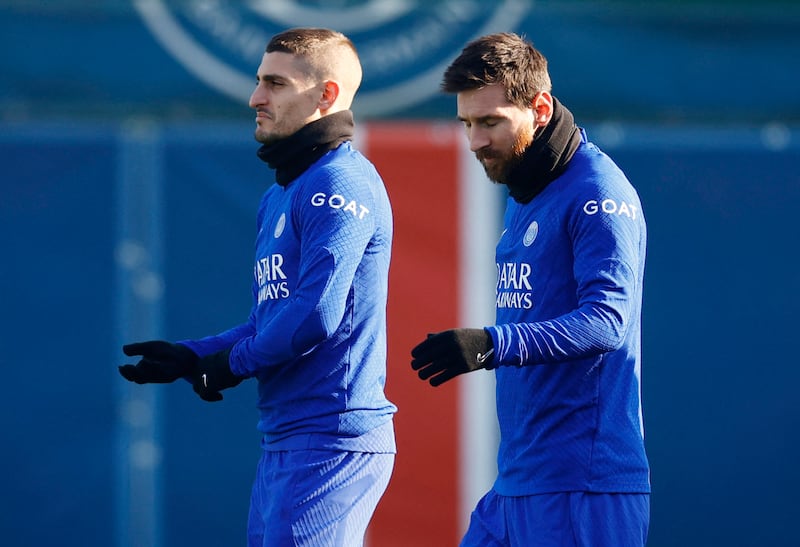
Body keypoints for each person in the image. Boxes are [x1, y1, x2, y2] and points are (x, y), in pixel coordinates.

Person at [118, 27, 397, 547]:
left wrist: (228, 366)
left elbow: (315, 315)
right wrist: (193, 355)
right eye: (258, 81)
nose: (255, 98)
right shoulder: (282, 193)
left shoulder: (339, 183)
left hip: (332, 438)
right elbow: (267, 320)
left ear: (326, 96)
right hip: (285, 438)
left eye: (274, 83)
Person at [410, 33, 650, 546]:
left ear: (540, 108)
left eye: (490, 122)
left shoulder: (598, 194)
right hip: (518, 482)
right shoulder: (526, 187)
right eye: (467, 123)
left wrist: (491, 344)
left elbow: (608, 320)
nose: (474, 141)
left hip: (582, 488)